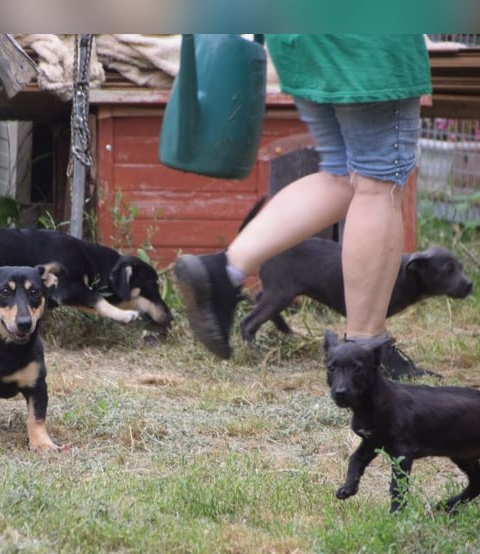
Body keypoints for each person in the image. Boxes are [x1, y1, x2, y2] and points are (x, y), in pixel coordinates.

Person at [173, 34, 432, 375]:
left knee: (343, 178)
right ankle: (366, 352)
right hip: (366, 43)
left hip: (302, 38)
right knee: (378, 183)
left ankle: (225, 270)